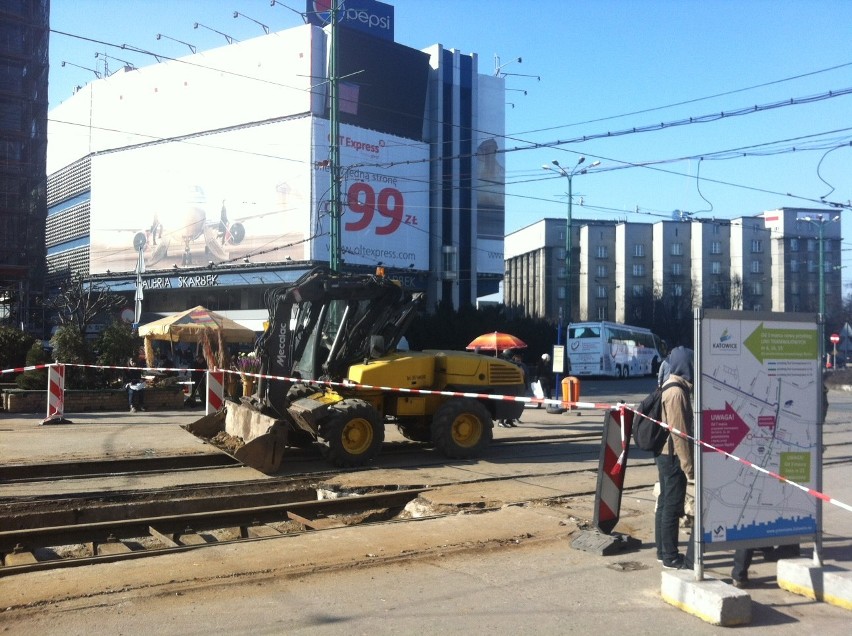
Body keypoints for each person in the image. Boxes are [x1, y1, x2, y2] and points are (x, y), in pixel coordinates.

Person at [655, 346, 694, 570]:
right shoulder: (677, 392)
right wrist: (688, 466)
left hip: (664, 454)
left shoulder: (670, 385)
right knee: (672, 505)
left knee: (663, 504)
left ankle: (662, 552)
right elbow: (679, 434)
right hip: (672, 456)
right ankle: (670, 556)